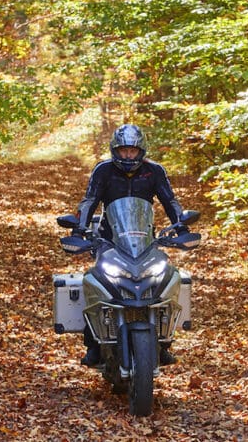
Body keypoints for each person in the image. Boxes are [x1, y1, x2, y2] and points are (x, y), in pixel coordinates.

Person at [72, 123, 185, 367]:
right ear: (115, 150)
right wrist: (80, 227)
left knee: (164, 281)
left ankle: (163, 343)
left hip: (143, 239)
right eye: (124, 151)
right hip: (108, 239)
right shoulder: (103, 170)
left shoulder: (154, 171)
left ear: (141, 150)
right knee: (97, 284)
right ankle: (93, 344)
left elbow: (169, 200)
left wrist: (181, 224)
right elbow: (90, 200)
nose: (128, 156)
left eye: (132, 151)